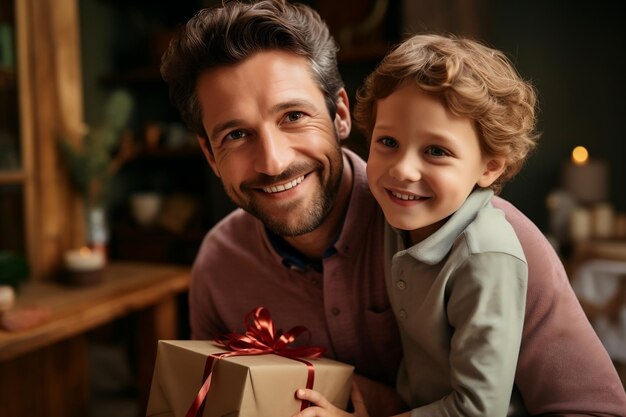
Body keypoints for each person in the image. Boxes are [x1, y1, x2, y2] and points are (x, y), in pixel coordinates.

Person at [160, 1, 626, 416]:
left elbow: (591, 409)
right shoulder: (218, 267)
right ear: (208, 154)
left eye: (294, 116)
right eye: (236, 135)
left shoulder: (492, 243)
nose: (274, 161)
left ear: (340, 114)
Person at [294, 33, 532, 417]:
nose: (402, 170)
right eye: (387, 141)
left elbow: (479, 410)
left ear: (490, 166)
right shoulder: (396, 218)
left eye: (436, 151)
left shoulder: (484, 256)